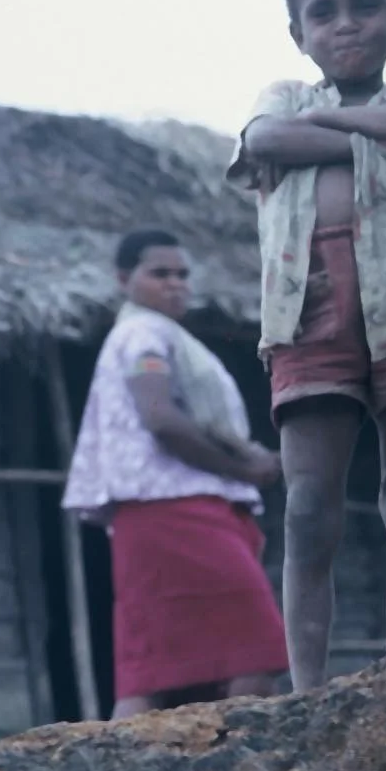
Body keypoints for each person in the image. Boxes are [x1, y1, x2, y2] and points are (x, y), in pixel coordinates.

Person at [228, 0, 386, 690]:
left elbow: (294, 149)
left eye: (366, 4)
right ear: (299, 33)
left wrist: (331, 139)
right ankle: (308, 688)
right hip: (308, 312)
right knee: (308, 506)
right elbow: (263, 140)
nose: (345, 25)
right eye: (323, 12)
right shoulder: (286, 96)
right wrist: (370, 128)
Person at [62, 231, 289, 719]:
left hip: (161, 512)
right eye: (160, 274)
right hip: (173, 509)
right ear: (125, 279)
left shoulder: (157, 336)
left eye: (183, 274)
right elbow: (160, 418)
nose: (176, 285)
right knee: (255, 645)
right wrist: (243, 468)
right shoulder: (144, 335)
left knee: (155, 662)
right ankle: (246, 766)